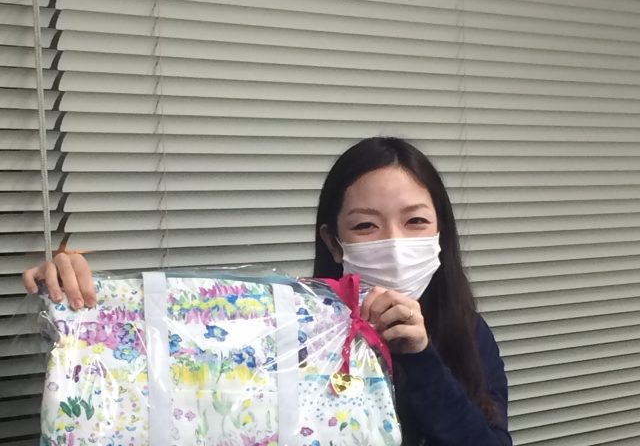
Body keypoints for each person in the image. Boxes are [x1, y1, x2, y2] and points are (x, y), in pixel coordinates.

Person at [24, 136, 512, 445]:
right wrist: (81, 297)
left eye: (415, 221)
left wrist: (420, 357)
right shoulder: (286, 327)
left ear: (440, 232)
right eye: (366, 225)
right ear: (334, 242)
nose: (394, 242)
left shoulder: (467, 333)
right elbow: (186, 361)